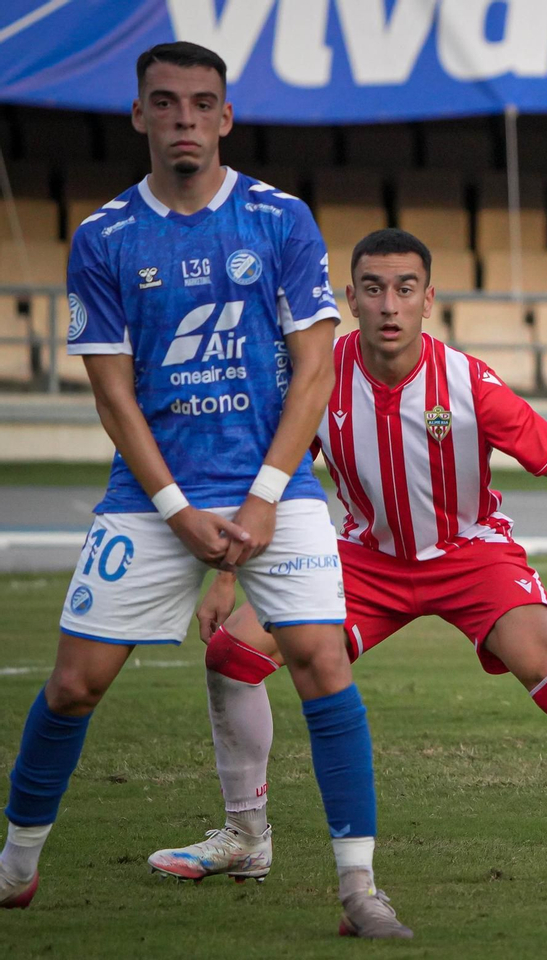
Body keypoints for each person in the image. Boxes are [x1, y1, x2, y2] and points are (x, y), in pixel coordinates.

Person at [0, 43, 410, 936]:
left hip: (280, 491)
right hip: (154, 499)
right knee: (73, 685)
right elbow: (113, 393)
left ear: (225, 117)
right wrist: (179, 511)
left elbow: (313, 376)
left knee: (322, 665)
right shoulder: (103, 237)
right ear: (138, 116)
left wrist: (263, 497)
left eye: (201, 104)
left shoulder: (281, 220)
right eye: (166, 103)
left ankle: (357, 889)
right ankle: (16, 867)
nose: (184, 118)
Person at [144, 229, 547, 897]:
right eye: (373, 289)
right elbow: (272, 479)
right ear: (351, 300)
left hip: (470, 553)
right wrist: (225, 575)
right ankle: (245, 837)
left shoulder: (469, 381)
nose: (389, 303)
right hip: (365, 561)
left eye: (405, 288)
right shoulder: (318, 380)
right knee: (231, 657)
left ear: (428, 299)